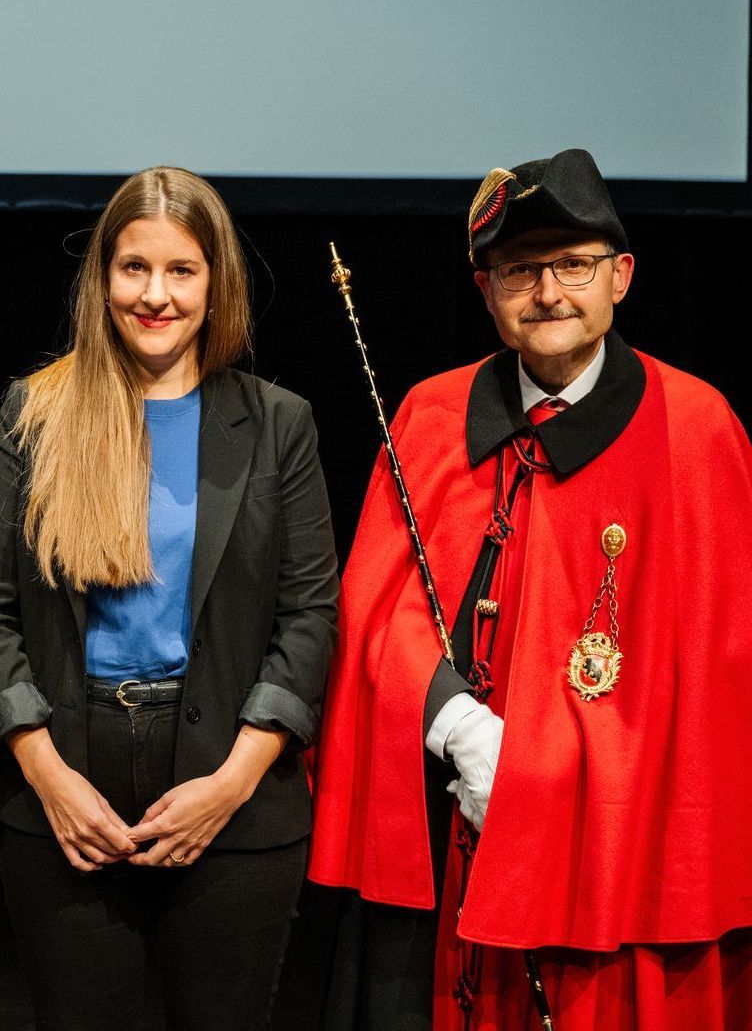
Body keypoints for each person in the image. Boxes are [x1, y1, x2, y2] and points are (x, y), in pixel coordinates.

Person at [309, 148, 752, 1030]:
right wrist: (460, 729)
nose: (548, 292)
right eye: (519, 270)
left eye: (573, 265)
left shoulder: (696, 428)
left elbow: (720, 666)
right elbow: (376, 609)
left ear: (621, 276)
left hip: (622, 844)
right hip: (452, 831)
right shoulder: (433, 417)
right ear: (486, 289)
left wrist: (568, 767)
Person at [0, 167, 339, 1030]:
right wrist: (48, 777)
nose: (155, 295)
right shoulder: (36, 413)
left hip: (230, 782)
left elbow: (310, 615)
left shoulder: (280, 423)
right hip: (67, 784)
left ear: (216, 282)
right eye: (134, 269)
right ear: (103, 278)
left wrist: (234, 781)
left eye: (181, 270)